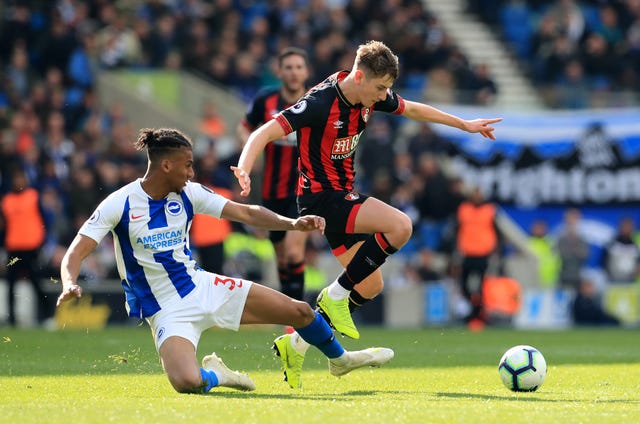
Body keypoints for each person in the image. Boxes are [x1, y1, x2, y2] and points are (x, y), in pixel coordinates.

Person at [56, 128, 393, 393]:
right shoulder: (121, 203)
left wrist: (291, 223)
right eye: (187, 164)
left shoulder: (190, 193)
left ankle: (341, 359)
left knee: (300, 311)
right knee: (187, 382)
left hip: (203, 286)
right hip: (165, 310)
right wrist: (70, 280)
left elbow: (246, 212)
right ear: (166, 165)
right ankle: (219, 374)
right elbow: (77, 249)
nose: (192, 171)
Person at [233, 40, 501, 341]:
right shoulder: (320, 102)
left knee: (371, 285)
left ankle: (296, 343)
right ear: (359, 77)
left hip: (340, 196)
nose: (384, 96)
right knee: (401, 225)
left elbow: (412, 108)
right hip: (321, 198)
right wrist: (245, 166)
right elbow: (263, 131)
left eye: (387, 88)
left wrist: (464, 124)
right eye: (380, 88)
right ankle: (335, 295)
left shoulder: (369, 95)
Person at [236, 47, 310, 302]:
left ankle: (299, 319)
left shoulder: (315, 100)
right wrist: (251, 153)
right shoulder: (265, 101)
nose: (293, 72)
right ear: (280, 71)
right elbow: (244, 128)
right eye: (288, 67)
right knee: (281, 256)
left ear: (306, 71)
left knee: (293, 252)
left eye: (298, 67)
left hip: (305, 191)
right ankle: (290, 310)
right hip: (272, 190)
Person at [1, 168, 49, 326]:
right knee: (11, 284)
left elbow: (44, 221)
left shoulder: (33, 196)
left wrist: (41, 242)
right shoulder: (6, 200)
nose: (19, 182)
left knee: (36, 282)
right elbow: (4, 226)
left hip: (31, 248)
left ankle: (47, 316)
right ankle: (12, 319)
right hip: (14, 247)